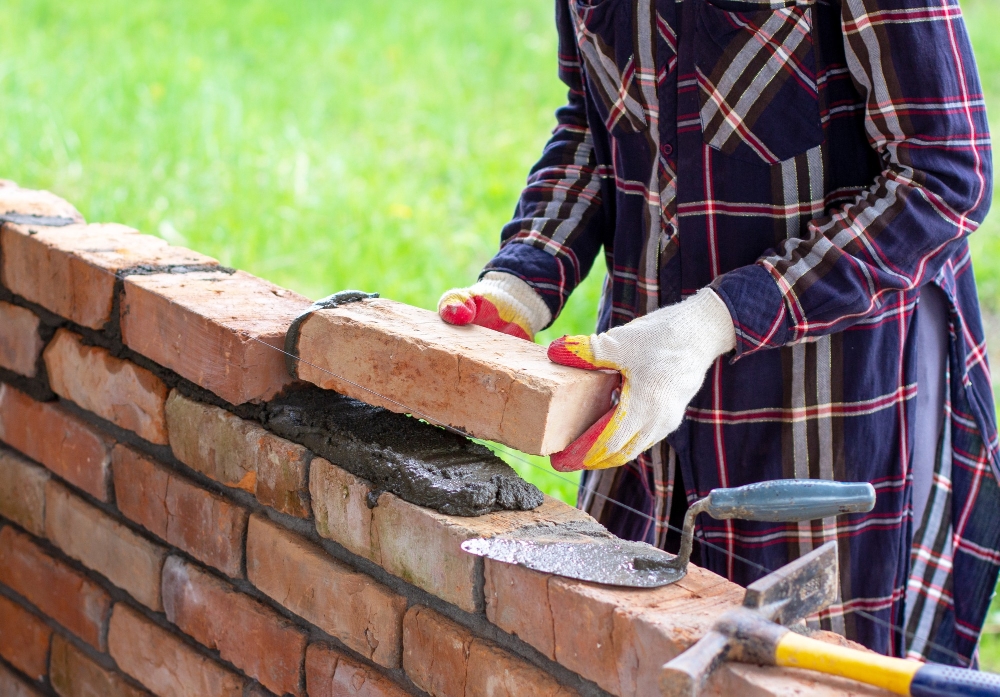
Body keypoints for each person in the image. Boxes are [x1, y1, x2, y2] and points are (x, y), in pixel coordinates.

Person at [438, 0, 999, 664]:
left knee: (813, 667)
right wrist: (524, 278)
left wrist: (715, 320)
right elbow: (596, 124)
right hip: (648, 385)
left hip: (831, 411)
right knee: (629, 652)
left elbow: (942, 176)